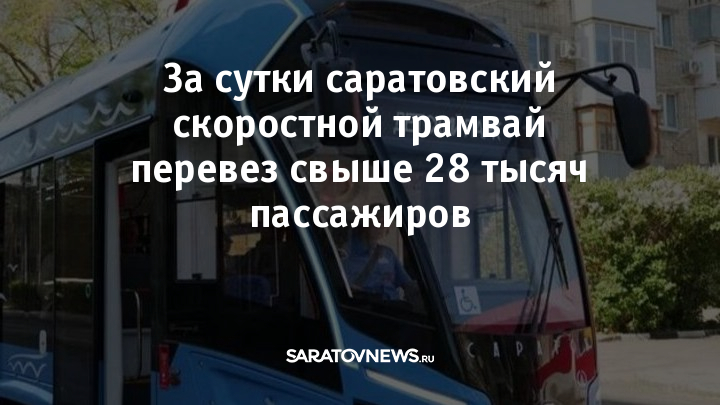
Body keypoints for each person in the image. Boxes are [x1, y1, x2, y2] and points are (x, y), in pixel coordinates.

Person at [342, 219, 417, 302]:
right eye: (376, 221)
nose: (380, 226)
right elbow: (344, 287)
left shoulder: (388, 253)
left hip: (394, 304)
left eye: (384, 223)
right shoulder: (347, 253)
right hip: (365, 305)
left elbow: (407, 284)